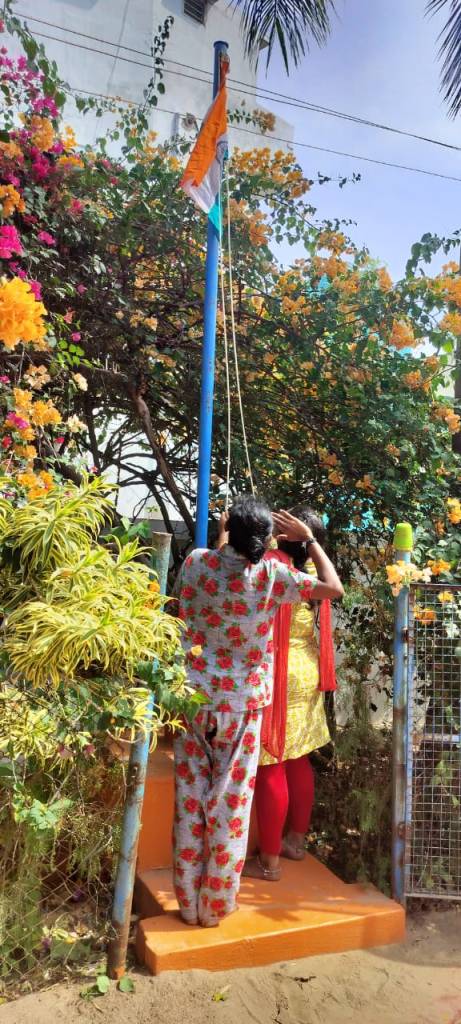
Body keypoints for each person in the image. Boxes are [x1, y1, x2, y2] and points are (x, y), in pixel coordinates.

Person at [173, 496, 343, 927]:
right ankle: (214, 906)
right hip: (243, 706)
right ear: (265, 540)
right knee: (229, 803)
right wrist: (311, 541)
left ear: (230, 531)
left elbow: (218, 561)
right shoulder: (271, 575)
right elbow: (333, 589)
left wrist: (224, 533)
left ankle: (188, 904)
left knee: (190, 800)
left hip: (194, 700)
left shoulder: (195, 563)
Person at [243, 508, 335, 882]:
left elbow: (230, 568)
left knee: (271, 763)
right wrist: (309, 542)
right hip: (306, 668)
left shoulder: (275, 569)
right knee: (298, 758)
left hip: (277, 671)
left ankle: (269, 862)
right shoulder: (313, 570)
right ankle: (295, 842)